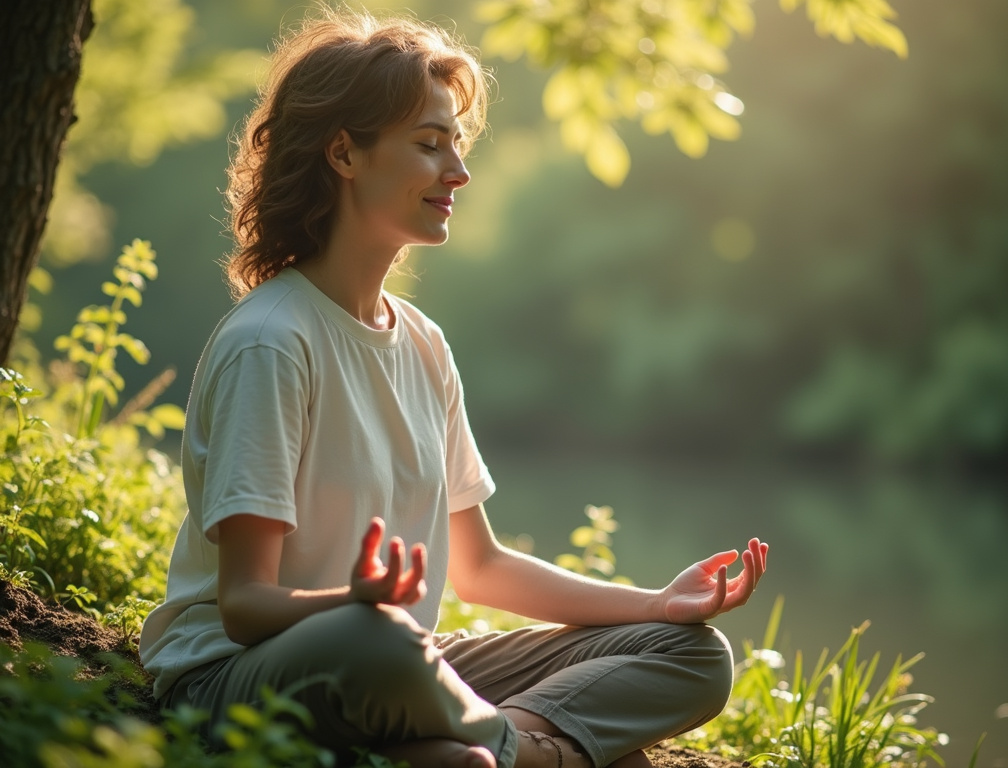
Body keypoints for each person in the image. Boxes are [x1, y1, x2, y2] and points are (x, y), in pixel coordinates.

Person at [138, 8, 769, 768]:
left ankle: (470, 748)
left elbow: (482, 567)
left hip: (401, 654)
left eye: (456, 144)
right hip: (243, 676)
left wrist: (658, 604)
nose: (458, 172)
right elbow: (244, 608)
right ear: (344, 152)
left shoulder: (425, 345)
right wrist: (356, 605)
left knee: (692, 654)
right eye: (429, 146)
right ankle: (526, 750)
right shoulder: (272, 342)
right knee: (381, 640)